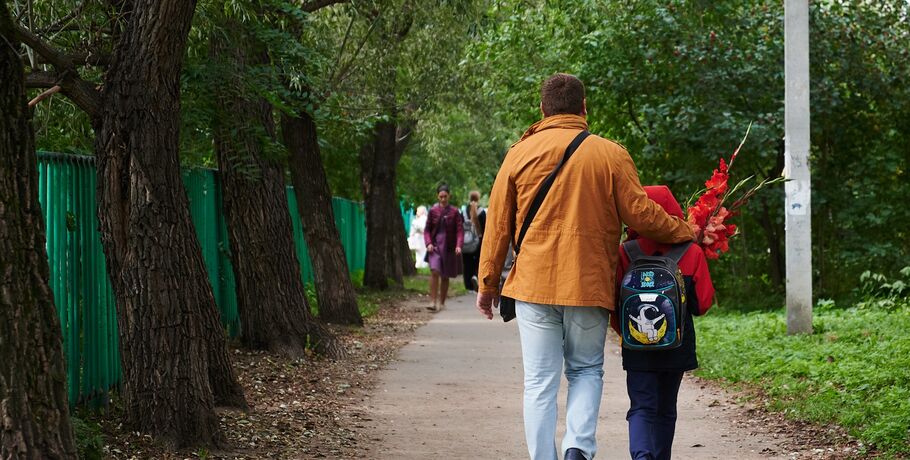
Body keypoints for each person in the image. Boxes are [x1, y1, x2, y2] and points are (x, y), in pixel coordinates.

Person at [475, 73, 695, 460]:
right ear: (584, 108)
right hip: (587, 283)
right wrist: (685, 230)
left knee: (539, 381)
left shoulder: (518, 154)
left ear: (543, 109)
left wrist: (488, 283)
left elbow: (498, 226)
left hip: (532, 286)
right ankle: (578, 447)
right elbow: (642, 215)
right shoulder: (610, 154)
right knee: (586, 370)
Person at [612, 185, 714, 460]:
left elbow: (613, 302)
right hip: (676, 344)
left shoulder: (625, 251)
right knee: (666, 408)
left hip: (637, 346)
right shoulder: (691, 253)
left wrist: (627, 333)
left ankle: (642, 456)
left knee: (642, 407)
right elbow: (702, 304)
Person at [424, 184, 464, 311]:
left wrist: (458, 245)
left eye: (445, 196)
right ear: (437, 196)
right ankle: (432, 301)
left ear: (449, 196)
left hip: (449, 247)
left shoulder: (454, 212)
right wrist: (428, 243)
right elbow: (427, 230)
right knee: (434, 271)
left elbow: (459, 230)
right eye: (441, 196)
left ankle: (442, 302)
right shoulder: (432, 211)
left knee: (445, 276)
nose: (443, 199)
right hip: (435, 247)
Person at [461, 190, 487, 291]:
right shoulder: (482, 212)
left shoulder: (463, 212)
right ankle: (476, 277)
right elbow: (485, 228)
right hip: (479, 242)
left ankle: (468, 285)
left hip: (466, 242)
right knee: (478, 262)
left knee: (467, 264)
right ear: (478, 198)